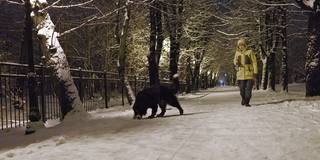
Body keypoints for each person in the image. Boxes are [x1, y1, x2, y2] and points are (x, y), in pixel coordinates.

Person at [233, 38, 258, 107]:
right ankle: (243, 98)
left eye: (242, 45)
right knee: (242, 90)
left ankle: (247, 102)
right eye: (239, 45)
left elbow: (254, 62)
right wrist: (236, 63)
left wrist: (255, 72)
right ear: (238, 46)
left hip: (249, 73)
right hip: (240, 74)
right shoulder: (237, 53)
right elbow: (234, 61)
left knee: (248, 90)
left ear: (245, 45)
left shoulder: (250, 52)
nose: (241, 46)